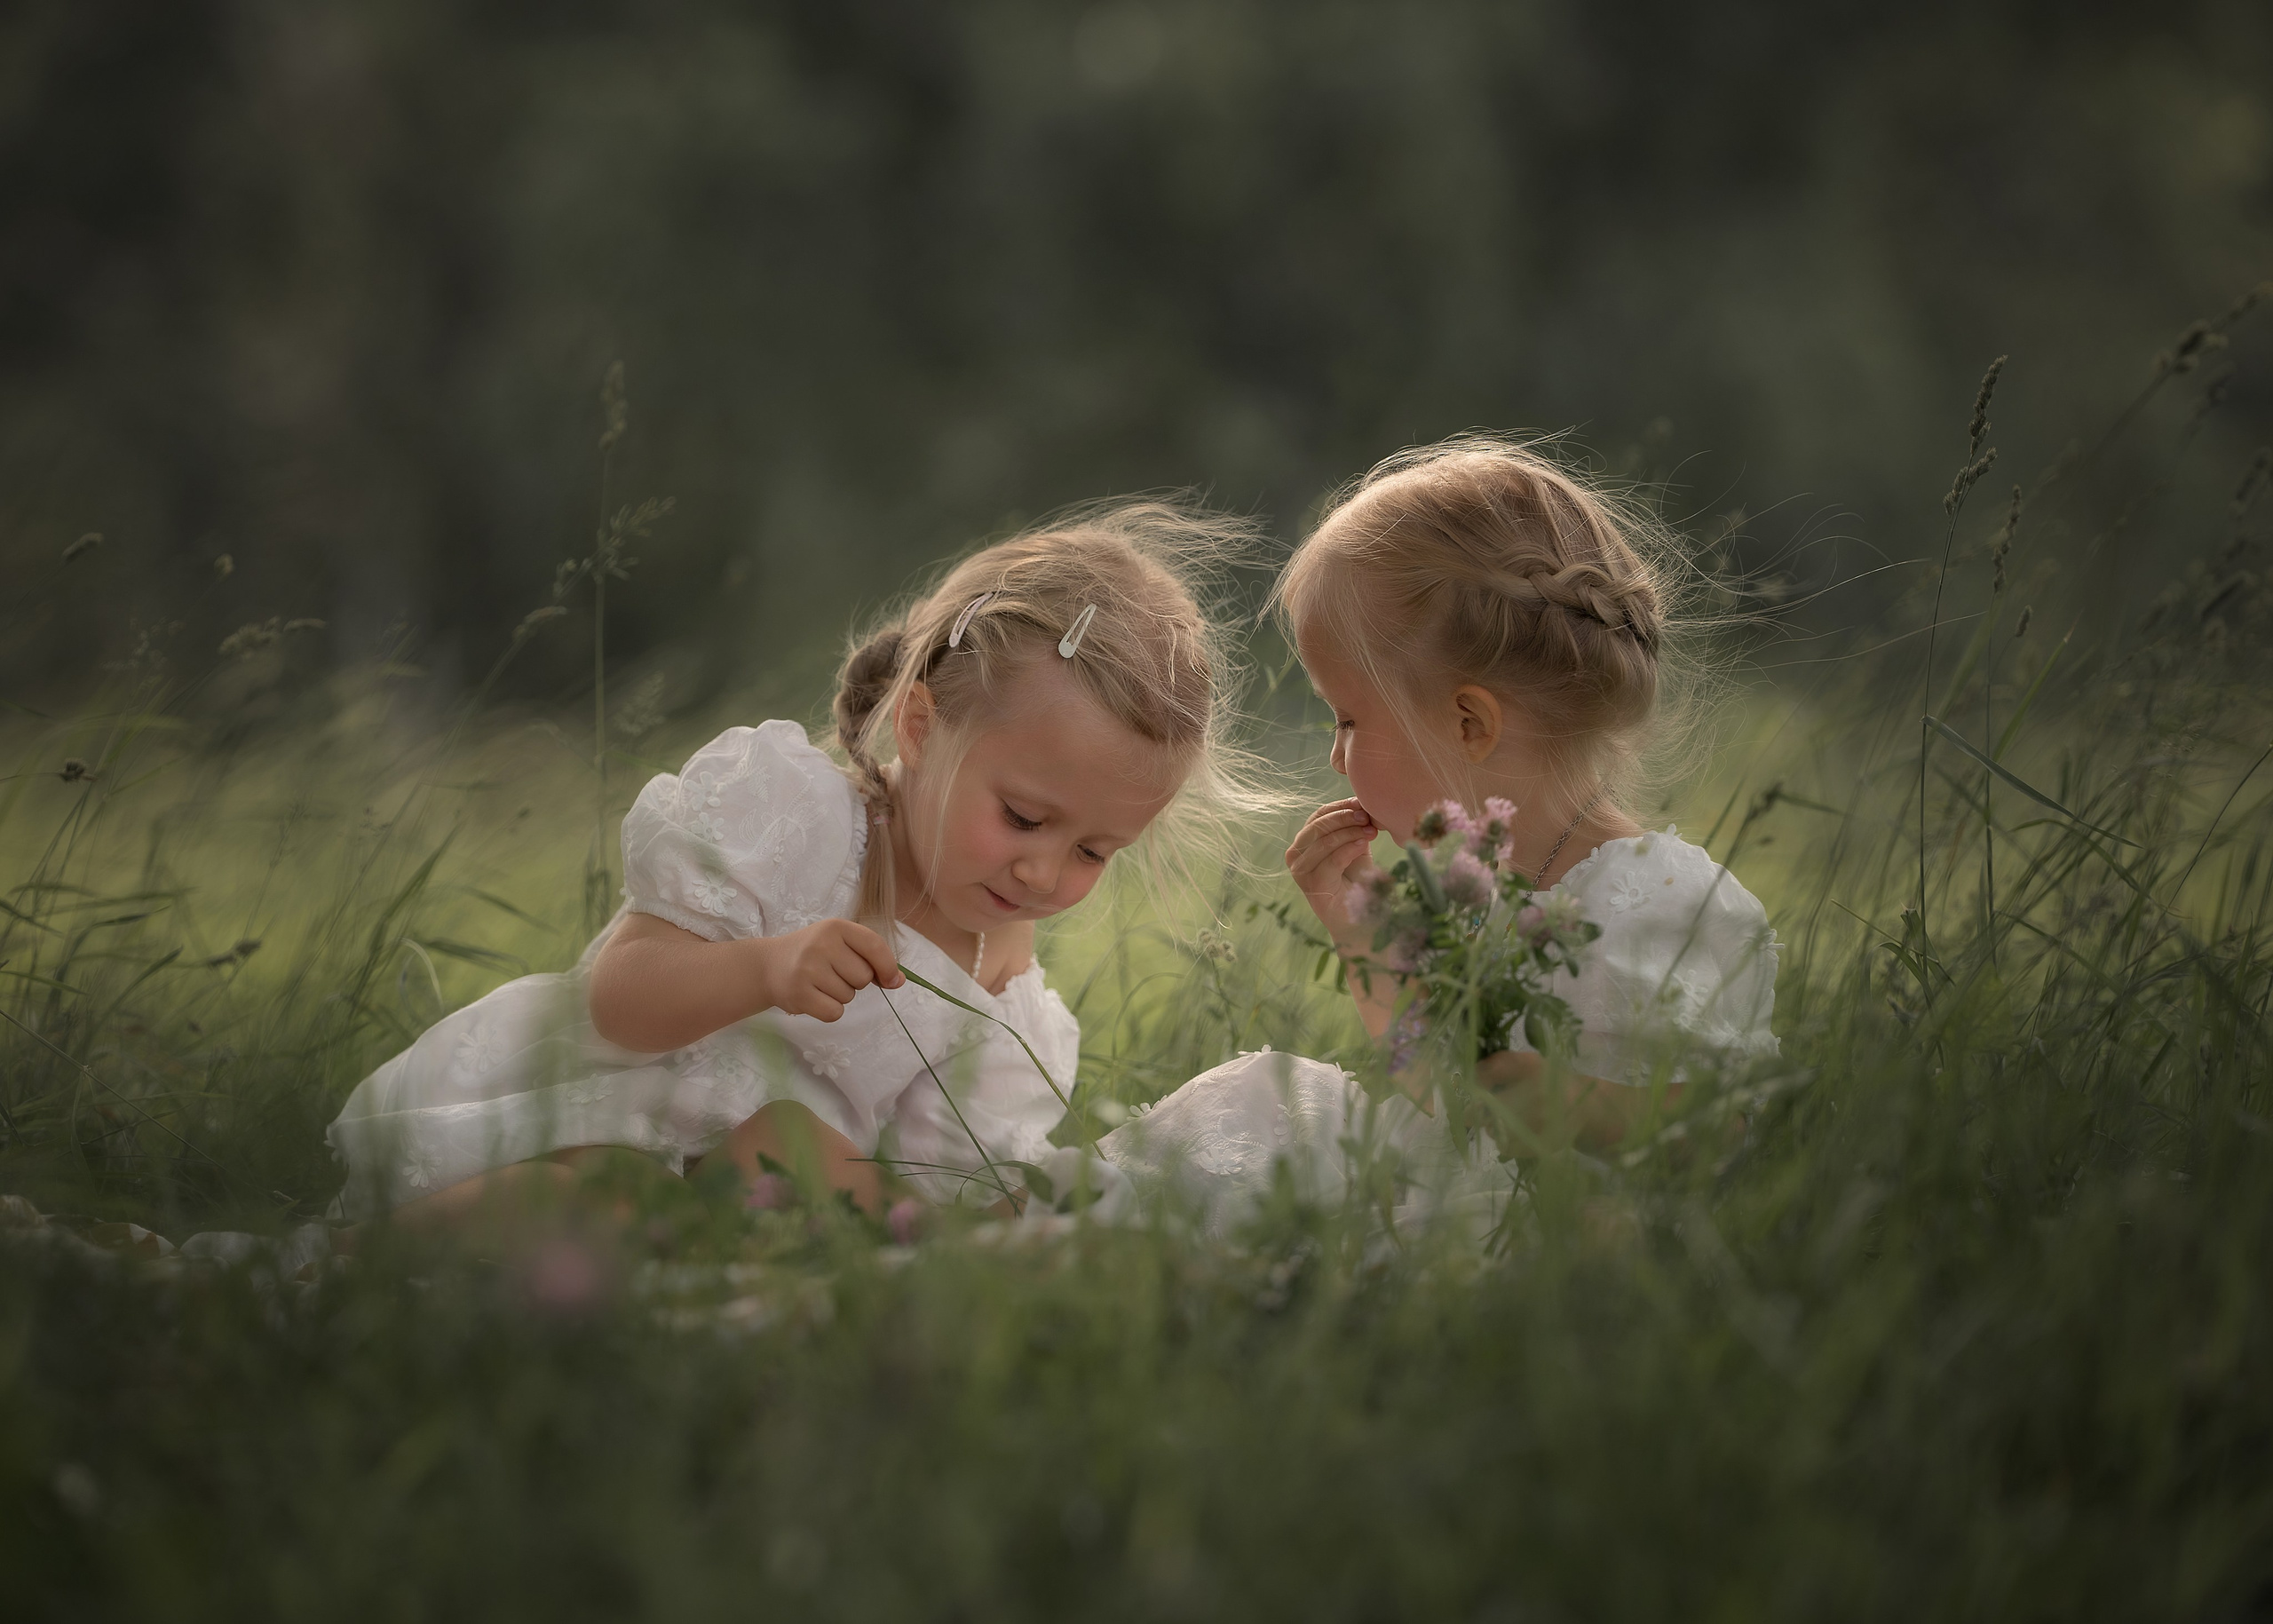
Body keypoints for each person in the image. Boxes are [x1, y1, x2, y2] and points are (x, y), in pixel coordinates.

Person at [326, 502, 1270, 1227]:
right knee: (608, 1195)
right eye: (1023, 816)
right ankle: (320, 1271)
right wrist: (766, 967)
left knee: (795, 1154)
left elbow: (927, 1179)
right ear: (919, 724)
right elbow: (618, 998)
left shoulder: (1000, 996)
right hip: (602, 1123)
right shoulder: (800, 821)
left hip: (735, 1198)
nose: (1042, 871)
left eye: (1093, 850)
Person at [1096, 437, 1779, 1228]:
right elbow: (1432, 1096)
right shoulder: (1477, 895)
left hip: (1556, 1231)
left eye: (1350, 718)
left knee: (1268, 1149)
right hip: (1456, 1189)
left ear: (1469, 723)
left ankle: (1057, 1237)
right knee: (1259, 1099)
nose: (1334, 753)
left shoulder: (1667, 899)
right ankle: (1030, 1229)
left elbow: (1729, 1123)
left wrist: (1569, 1102)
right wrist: (1369, 950)